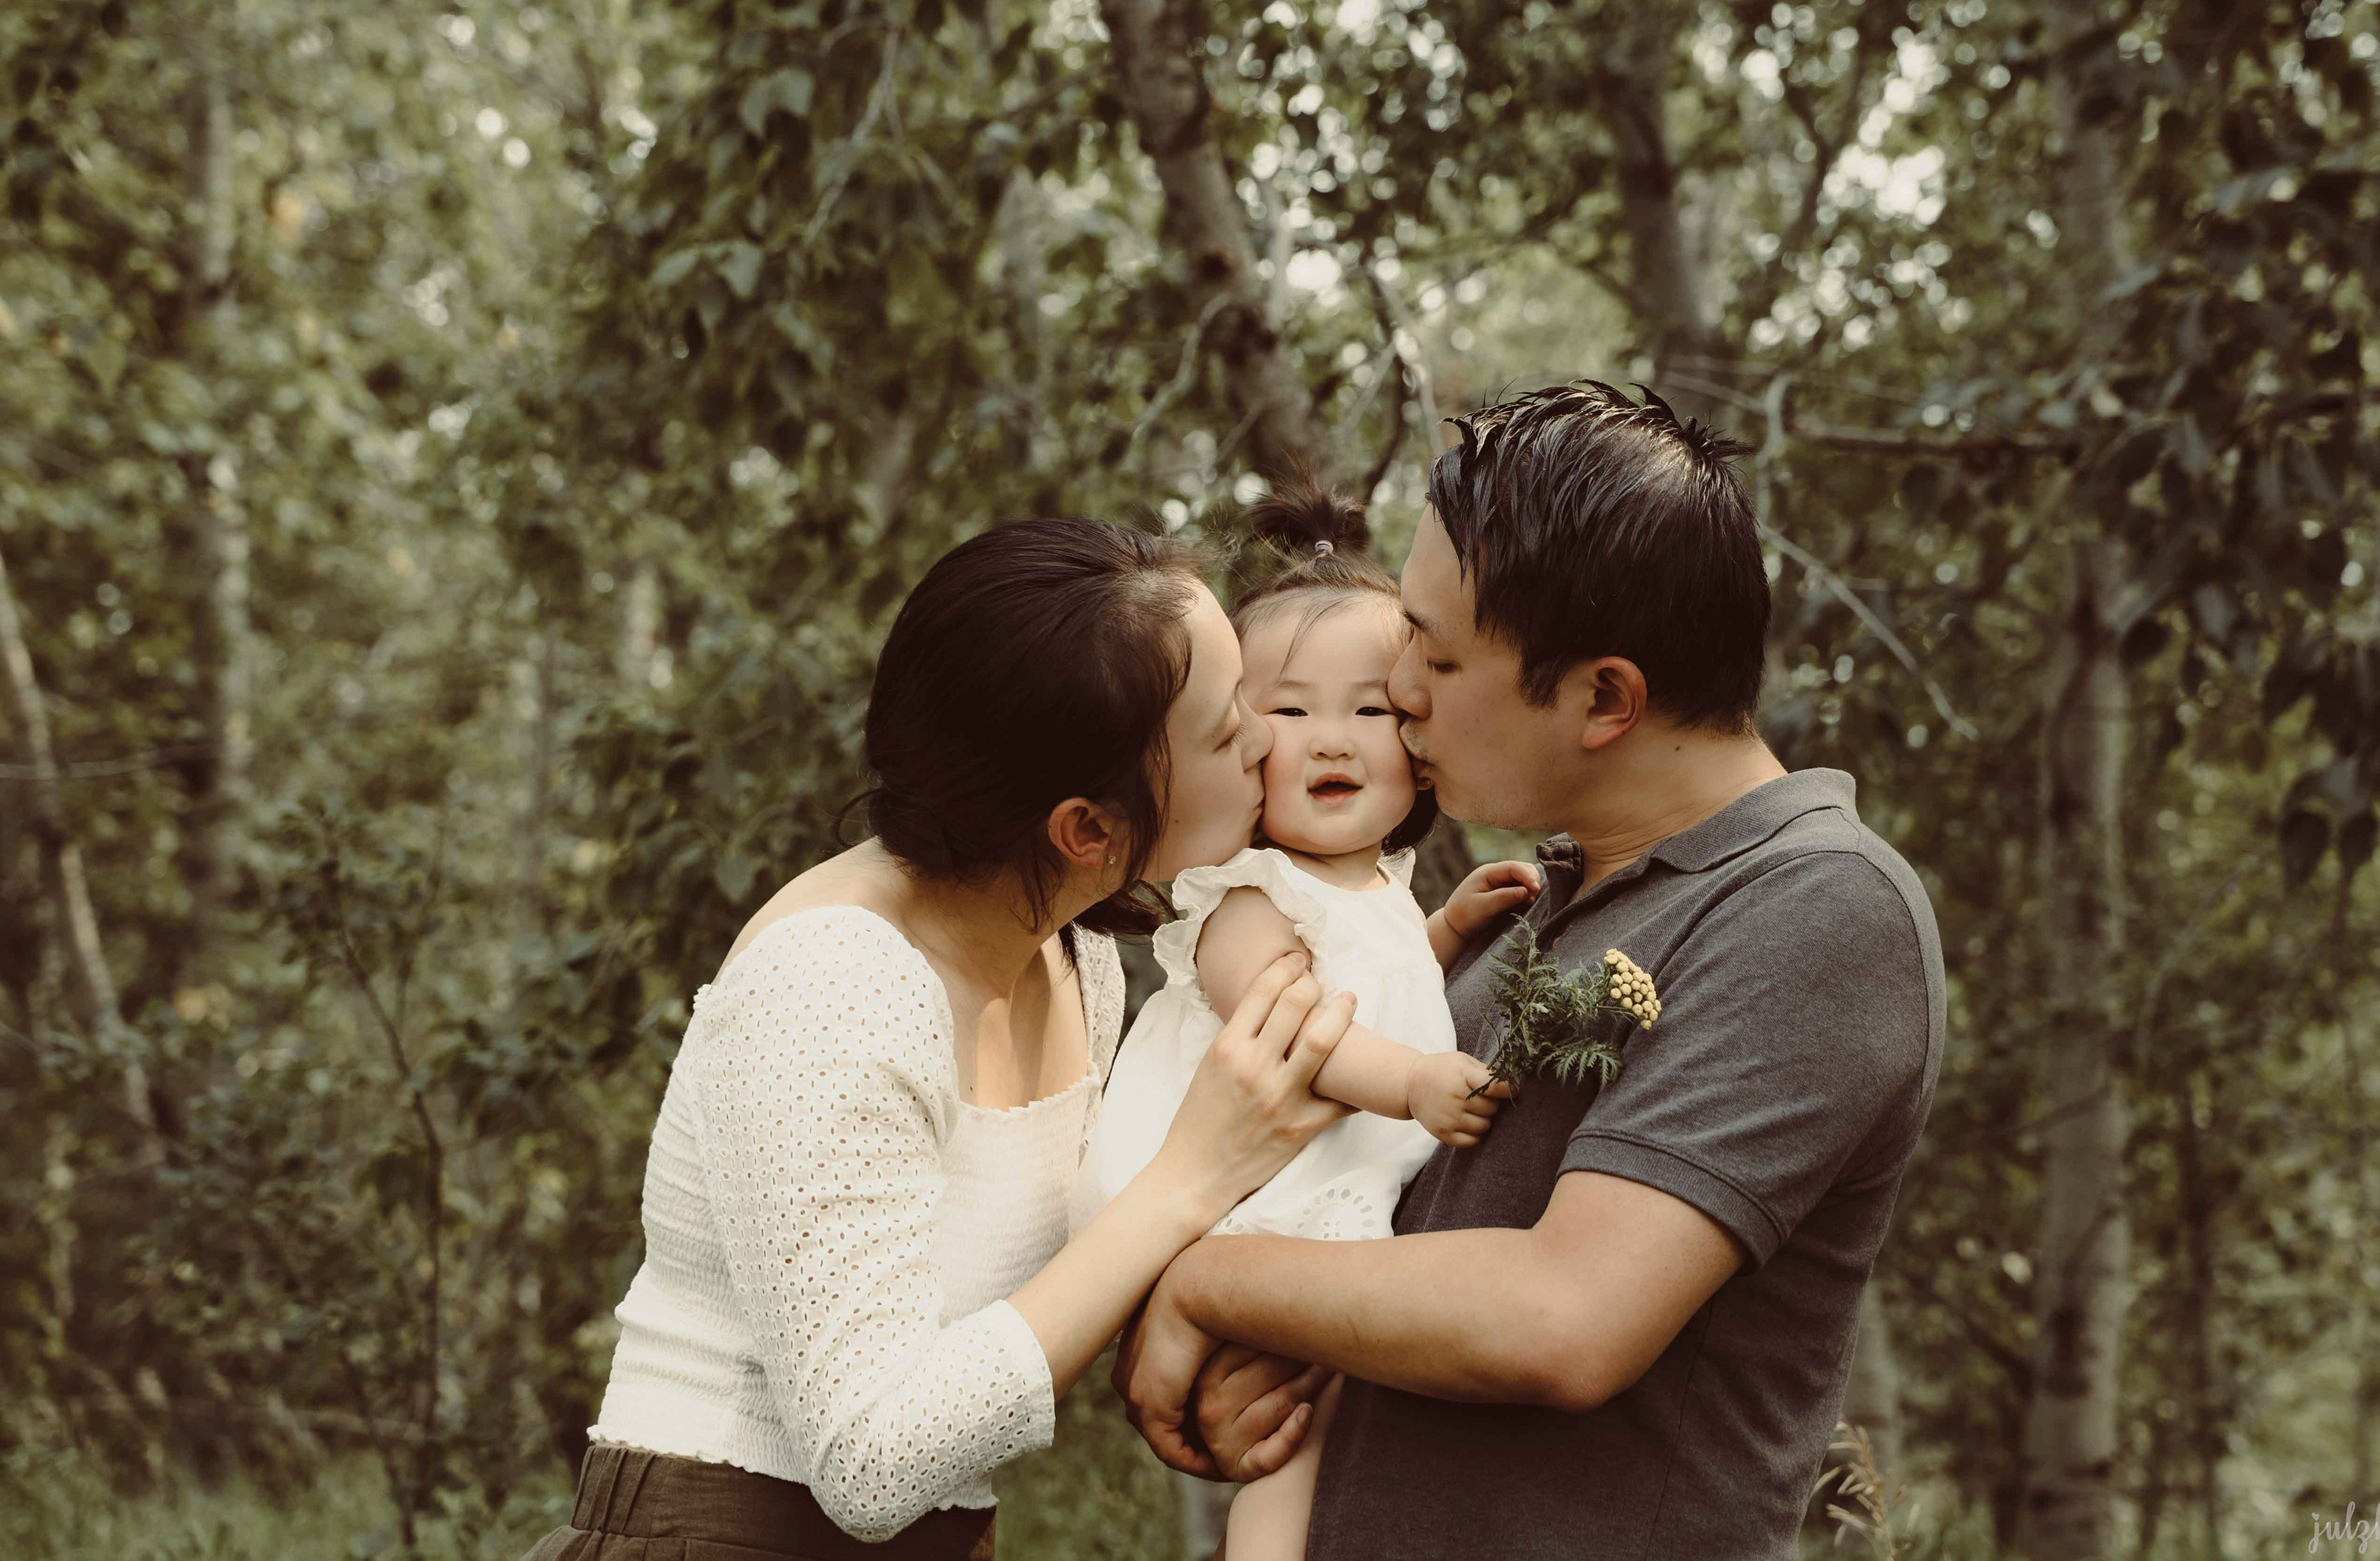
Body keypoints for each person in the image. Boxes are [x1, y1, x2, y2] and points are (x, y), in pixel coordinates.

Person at [1111, 383, 1949, 1561]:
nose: (1402, 691)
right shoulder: (1526, 910)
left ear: (1604, 696)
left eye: (1439, 657)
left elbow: (1564, 1315)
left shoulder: (1814, 909)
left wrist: (1206, 1285)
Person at [525, 518, 1360, 1561]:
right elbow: (870, 1462)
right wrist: (1190, 1176)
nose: (1268, 742)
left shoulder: (1078, 962)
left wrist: (1180, 1349)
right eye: (1227, 732)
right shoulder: (833, 982)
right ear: (1087, 830)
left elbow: (1052, 1299)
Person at [1068, 482, 1543, 1561]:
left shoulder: (1377, 888)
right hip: (1251, 1208)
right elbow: (1306, 1033)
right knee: (1300, 1441)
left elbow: (1372, 986)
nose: (1333, 740)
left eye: (1370, 711)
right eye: (1288, 713)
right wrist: (1414, 1084)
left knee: (1350, 1435)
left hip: (1320, 1198)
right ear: (1238, 743)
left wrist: (1444, 931)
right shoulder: (1244, 896)